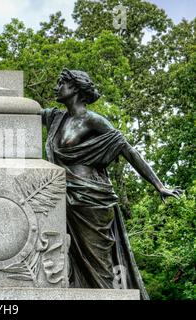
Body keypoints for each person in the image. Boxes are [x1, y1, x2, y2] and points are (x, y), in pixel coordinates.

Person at [40, 69, 182, 299]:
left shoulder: (92, 120)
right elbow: (23, 112)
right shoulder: (56, 118)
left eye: (61, 83)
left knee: (100, 261)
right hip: (65, 197)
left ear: (75, 88)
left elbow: (128, 150)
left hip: (92, 199)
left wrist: (158, 185)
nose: (56, 87)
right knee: (74, 259)